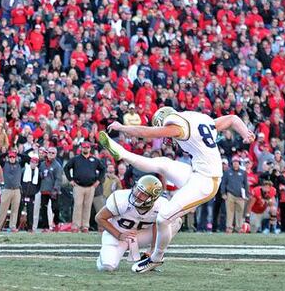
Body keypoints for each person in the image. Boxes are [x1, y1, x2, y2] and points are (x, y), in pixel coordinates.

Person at [100, 107, 255, 273]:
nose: (168, 138)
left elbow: (148, 132)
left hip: (206, 181)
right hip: (196, 172)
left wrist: (122, 127)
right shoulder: (200, 119)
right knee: (163, 164)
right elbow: (232, 118)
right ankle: (123, 154)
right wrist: (245, 133)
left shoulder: (178, 127)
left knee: (163, 218)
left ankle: (155, 258)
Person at [95, 175, 181, 272]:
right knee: (107, 267)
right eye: (137, 189)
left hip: (140, 235)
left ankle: (150, 259)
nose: (138, 194)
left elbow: (157, 226)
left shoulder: (161, 205)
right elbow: (100, 217)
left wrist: (152, 250)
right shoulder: (121, 198)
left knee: (174, 221)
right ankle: (105, 256)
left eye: (143, 194)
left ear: (152, 198)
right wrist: (119, 235)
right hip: (117, 234)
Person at [64, 142, 105, 232]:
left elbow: (103, 169)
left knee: (87, 206)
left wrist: (98, 181)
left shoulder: (95, 160)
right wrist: (70, 180)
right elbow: (66, 168)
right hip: (78, 186)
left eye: (87, 147)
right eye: (84, 147)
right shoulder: (76, 159)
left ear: (90, 149)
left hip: (90, 187)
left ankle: (85, 226)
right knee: (77, 205)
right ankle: (75, 226)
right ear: (81, 148)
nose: (85, 149)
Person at [0, 150, 22, 232]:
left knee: (15, 209)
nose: (12, 158)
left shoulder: (19, 164)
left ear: (16, 157)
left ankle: (13, 226)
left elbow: (27, 158)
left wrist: (17, 153)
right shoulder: (4, 164)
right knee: (3, 209)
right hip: (7, 189)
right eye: (10, 157)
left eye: (13, 157)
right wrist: (7, 153)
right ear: (8, 158)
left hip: (16, 190)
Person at [221, 158, 249, 233]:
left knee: (240, 212)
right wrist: (223, 193)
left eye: (237, 162)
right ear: (232, 163)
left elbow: (246, 184)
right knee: (230, 212)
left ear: (239, 163)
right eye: (234, 162)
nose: (235, 164)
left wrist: (246, 195)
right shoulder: (227, 172)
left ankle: (239, 228)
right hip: (230, 194)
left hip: (240, 195)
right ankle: (229, 227)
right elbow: (223, 183)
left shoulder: (243, 172)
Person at [38, 147, 62, 230]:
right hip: (44, 189)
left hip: (53, 190)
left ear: (55, 154)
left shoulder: (57, 165)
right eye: (49, 152)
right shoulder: (42, 164)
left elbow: (58, 179)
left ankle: (56, 223)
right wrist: (41, 175)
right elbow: (40, 175)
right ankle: (45, 226)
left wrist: (55, 190)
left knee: (55, 208)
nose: (51, 154)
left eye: (53, 153)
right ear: (47, 153)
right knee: (43, 208)